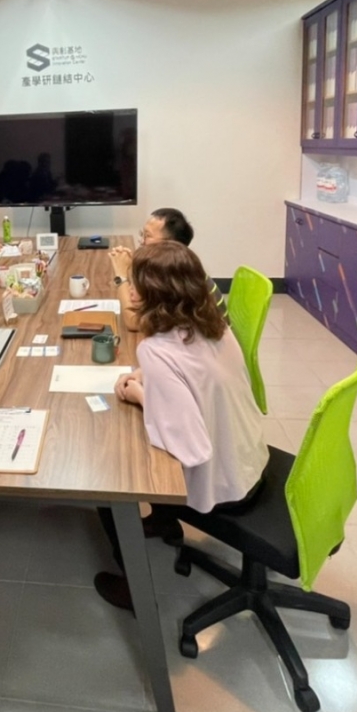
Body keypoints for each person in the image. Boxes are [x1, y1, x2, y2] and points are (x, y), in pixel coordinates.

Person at [93, 241, 269, 611]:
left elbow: (188, 445)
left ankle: (133, 588)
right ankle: (162, 522)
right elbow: (193, 372)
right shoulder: (213, 323)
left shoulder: (156, 350)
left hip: (224, 484)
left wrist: (141, 394)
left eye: (136, 284)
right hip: (250, 460)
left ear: (154, 293)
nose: (131, 292)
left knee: (110, 477)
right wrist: (149, 377)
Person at [109, 207, 229, 332]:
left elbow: (134, 322)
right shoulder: (176, 262)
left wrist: (121, 276)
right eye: (142, 234)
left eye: (147, 236)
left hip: (209, 340)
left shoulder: (173, 276)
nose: (141, 241)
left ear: (169, 244)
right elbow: (141, 302)